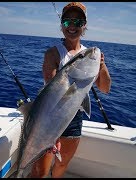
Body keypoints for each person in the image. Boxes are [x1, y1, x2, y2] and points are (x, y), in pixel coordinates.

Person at [30, 2, 112, 178]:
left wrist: (102, 66)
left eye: (78, 22)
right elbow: (52, 94)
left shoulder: (91, 55)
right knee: (40, 171)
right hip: (49, 117)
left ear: (85, 26)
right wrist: (53, 134)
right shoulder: (53, 53)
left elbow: (105, 89)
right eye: (67, 22)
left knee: (62, 163)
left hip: (75, 118)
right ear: (62, 26)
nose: (72, 26)